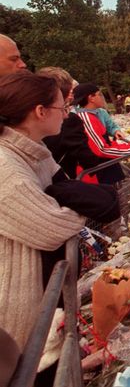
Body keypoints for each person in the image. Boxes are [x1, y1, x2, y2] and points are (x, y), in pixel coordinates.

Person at [0, 72, 86, 351]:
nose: (66, 115)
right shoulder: (7, 169)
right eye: (62, 108)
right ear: (40, 111)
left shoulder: (34, 151)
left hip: (36, 299)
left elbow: (64, 189)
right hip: (15, 317)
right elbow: (54, 227)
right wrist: (83, 207)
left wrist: (70, 200)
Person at [73, 83, 130, 184]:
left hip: (104, 166)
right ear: (91, 98)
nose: (102, 98)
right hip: (97, 172)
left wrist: (127, 146)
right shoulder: (86, 118)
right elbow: (101, 150)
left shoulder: (94, 115)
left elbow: (104, 142)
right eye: (99, 94)